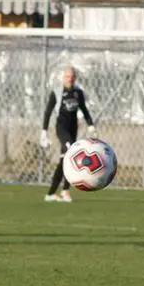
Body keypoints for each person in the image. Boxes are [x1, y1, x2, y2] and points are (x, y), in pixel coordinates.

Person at [40, 65, 97, 203]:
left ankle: (51, 193)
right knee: (71, 153)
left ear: (75, 78)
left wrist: (90, 125)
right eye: (67, 76)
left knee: (65, 160)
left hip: (73, 129)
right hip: (61, 128)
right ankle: (65, 191)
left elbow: (83, 109)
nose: (69, 79)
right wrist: (44, 132)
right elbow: (48, 112)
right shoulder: (57, 92)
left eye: (72, 77)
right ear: (63, 77)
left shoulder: (78, 92)